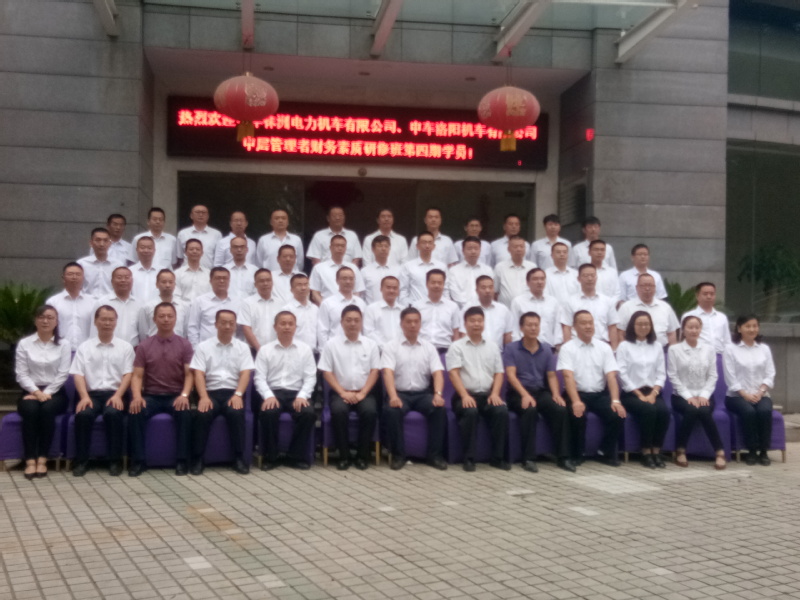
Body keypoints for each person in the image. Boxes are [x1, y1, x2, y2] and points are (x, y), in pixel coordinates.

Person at [127, 302, 193, 476]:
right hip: (151, 396)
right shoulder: (144, 346)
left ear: (175, 319)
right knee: (135, 411)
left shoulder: (185, 345)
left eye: (170, 316)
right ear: (154, 319)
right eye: (162, 316)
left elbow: (189, 375)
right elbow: (137, 376)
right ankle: (139, 461)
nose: (166, 320)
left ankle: (182, 461)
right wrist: (136, 396)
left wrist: (184, 395)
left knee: (185, 412)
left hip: (175, 395)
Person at [504, 312, 575, 473]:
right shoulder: (511, 348)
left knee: (560, 409)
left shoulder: (546, 349)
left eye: (536, 325)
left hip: (540, 391)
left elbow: (551, 376)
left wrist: (556, 394)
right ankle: (528, 458)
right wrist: (525, 395)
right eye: (529, 325)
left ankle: (563, 457)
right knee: (529, 410)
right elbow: (511, 376)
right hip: (518, 393)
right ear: (521, 328)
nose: (533, 328)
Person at [70, 305, 134, 477]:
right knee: (83, 415)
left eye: (111, 320)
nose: (107, 323)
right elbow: (78, 374)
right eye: (103, 319)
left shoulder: (125, 347)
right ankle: (81, 461)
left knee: (113, 414)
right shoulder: (85, 347)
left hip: (116, 393)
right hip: (91, 395)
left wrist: (118, 395)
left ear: (116, 322)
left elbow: (128, 374)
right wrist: (84, 397)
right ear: (95, 322)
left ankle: (114, 461)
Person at [381, 307, 448, 471]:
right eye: (408, 322)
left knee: (438, 409)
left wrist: (438, 394)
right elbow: (387, 373)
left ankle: (434, 456)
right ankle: (398, 456)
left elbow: (438, 373)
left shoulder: (429, 347)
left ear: (420, 324)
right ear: (401, 324)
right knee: (392, 411)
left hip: (422, 394)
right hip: (400, 393)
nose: (412, 325)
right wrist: (393, 396)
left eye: (416, 322)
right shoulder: (391, 346)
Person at [558, 311, 626, 466]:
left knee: (618, 414)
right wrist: (576, 401)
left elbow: (611, 376)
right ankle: (578, 453)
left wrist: (615, 401)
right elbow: (568, 376)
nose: (588, 326)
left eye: (590, 322)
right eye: (583, 323)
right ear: (574, 327)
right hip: (576, 393)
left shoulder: (604, 347)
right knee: (577, 414)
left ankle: (604, 452)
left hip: (599, 394)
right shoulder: (567, 348)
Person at [190, 309, 252, 475]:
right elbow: (198, 374)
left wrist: (238, 395)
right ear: (216, 324)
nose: (227, 326)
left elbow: (245, 374)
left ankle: (239, 458)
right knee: (202, 414)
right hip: (210, 392)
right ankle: (198, 458)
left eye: (231, 323)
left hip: (233, 392)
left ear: (235, 325)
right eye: (223, 323)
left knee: (236, 413)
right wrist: (203, 397)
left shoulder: (243, 347)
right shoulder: (203, 347)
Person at [447, 307, 508, 472]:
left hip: (487, 395)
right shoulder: (456, 347)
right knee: (470, 411)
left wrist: (495, 393)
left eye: (479, 321)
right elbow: (453, 374)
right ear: (465, 324)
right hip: (464, 395)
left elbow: (499, 373)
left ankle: (497, 458)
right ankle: (469, 458)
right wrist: (465, 396)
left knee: (501, 411)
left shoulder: (493, 347)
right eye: (472, 321)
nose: (476, 324)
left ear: (484, 323)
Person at [319, 306, 380, 470]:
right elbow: (327, 372)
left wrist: (363, 393)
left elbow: (375, 371)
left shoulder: (371, 345)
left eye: (356, 320)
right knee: (339, 412)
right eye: (348, 320)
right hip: (340, 392)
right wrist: (342, 392)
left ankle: (362, 456)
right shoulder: (331, 345)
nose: (352, 324)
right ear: (341, 322)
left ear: (361, 323)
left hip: (364, 392)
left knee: (370, 412)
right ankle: (343, 456)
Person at [254, 311, 317, 470]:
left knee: (308, 413)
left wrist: (302, 396)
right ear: (275, 327)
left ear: (295, 327)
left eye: (290, 324)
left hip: (297, 393)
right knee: (268, 413)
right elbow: (259, 378)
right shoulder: (265, 350)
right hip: (273, 392)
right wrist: (268, 396)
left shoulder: (305, 349)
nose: (287, 327)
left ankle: (294, 456)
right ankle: (271, 457)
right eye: (283, 323)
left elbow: (310, 377)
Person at [15, 305, 71, 479]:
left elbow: (63, 374)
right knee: (30, 410)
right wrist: (36, 392)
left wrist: (47, 392)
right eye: (41, 317)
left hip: (56, 392)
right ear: (35, 320)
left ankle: (43, 458)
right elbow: (21, 374)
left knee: (47, 410)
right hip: (30, 391)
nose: (45, 321)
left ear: (56, 322)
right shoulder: (25, 344)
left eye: (50, 317)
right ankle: (30, 460)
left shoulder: (64, 344)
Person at [668, 315, 726, 470]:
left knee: (704, 411)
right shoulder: (674, 350)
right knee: (692, 409)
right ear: (683, 330)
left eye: (697, 327)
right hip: (680, 396)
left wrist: (704, 395)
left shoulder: (709, 349)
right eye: (690, 327)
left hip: (704, 395)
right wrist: (688, 396)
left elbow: (713, 375)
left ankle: (719, 452)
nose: (694, 330)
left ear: (700, 330)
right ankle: (681, 450)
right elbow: (673, 376)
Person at [616, 311, 669, 468]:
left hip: (653, 392)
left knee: (664, 412)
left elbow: (661, 373)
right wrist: (639, 394)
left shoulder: (657, 346)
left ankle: (656, 451)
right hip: (631, 393)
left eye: (646, 324)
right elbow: (622, 374)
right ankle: (645, 452)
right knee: (649, 410)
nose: (643, 327)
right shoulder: (624, 346)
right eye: (639, 324)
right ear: (632, 326)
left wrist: (654, 393)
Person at [724, 314, 776, 466]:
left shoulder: (764, 349)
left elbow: (770, 373)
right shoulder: (730, 349)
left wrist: (760, 392)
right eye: (747, 326)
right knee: (749, 412)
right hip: (736, 396)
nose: (752, 329)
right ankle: (751, 451)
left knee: (764, 411)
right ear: (739, 328)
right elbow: (730, 377)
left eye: (755, 326)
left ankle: (764, 451)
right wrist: (745, 394)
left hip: (761, 394)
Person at [560, 264, 619, 349]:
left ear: (596, 277)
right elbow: (566, 327)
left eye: (592, 275)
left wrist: (614, 350)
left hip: (602, 346)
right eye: (586, 276)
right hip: (578, 346)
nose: (590, 278)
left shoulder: (607, 301)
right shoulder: (570, 302)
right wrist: (568, 349)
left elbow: (612, 327)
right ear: (578, 279)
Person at [616, 273, 679, 347]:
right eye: (644, 285)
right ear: (637, 288)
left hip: (662, 350)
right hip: (633, 351)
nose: (647, 288)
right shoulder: (626, 307)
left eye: (650, 285)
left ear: (655, 288)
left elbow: (671, 333)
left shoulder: (666, 307)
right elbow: (620, 333)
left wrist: (672, 351)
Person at [46, 262, 95, 352]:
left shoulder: (93, 302)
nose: (74, 277)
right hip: (59, 351)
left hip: (86, 352)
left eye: (78, 274)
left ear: (83, 278)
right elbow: (48, 328)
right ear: (63, 278)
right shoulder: (53, 302)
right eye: (70, 274)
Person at [187, 267, 240, 348]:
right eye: (218, 278)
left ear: (229, 281)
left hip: (231, 348)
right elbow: (193, 328)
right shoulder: (200, 301)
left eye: (225, 278)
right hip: (206, 349)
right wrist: (196, 349)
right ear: (210, 281)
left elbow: (240, 330)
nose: (221, 281)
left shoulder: (238, 302)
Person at [91, 266, 142, 347]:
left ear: (132, 281)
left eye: (127, 277)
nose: (123, 280)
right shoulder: (102, 303)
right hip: (108, 348)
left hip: (133, 350)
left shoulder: (139, 304)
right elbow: (94, 331)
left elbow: (142, 332)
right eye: (119, 277)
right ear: (112, 281)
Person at [318, 267, 367, 349]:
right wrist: (324, 351)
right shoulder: (327, 303)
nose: (348, 282)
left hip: (358, 348)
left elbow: (364, 329)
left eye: (351, 279)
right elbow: (322, 330)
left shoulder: (361, 303)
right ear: (337, 281)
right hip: (335, 349)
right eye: (344, 278)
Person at [510, 268, 561, 346]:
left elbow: (557, 326)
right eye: (535, 279)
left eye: (542, 279)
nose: (539, 282)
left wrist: (557, 345)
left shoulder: (553, 302)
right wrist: (517, 347)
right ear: (527, 282)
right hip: (524, 347)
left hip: (548, 347)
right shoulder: (518, 301)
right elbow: (514, 327)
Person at [459, 276, 513, 348]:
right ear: (477, 290)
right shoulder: (467, 309)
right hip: (474, 351)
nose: (487, 290)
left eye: (490, 287)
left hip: (498, 352)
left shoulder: (503, 310)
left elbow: (508, 335)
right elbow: (463, 334)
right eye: (483, 288)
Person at [309, 235, 365, 303]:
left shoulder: (353, 268)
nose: (340, 248)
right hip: (327, 306)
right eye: (337, 245)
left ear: (345, 248)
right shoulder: (319, 268)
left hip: (350, 307)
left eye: (342, 246)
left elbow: (357, 291)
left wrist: (351, 306)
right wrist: (325, 306)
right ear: (330, 247)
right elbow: (315, 293)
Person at [398, 231, 447, 306]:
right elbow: (402, 291)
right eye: (424, 242)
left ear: (434, 246)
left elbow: (445, 290)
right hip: (415, 309)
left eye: (430, 243)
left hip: (437, 307)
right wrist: (410, 307)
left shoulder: (441, 267)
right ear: (417, 246)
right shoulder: (408, 266)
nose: (427, 246)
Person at [138, 269, 189, 340]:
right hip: (154, 345)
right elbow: (143, 333)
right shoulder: (147, 307)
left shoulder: (184, 306)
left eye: (170, 282)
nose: (167, 285)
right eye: (164, 282)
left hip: (178, 345)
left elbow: (185, 331)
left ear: (175, 285)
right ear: (157, 284)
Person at [682, 282, 730, 355]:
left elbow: (727, 341)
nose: (709, 296)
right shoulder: (688, 316)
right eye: (705, 294)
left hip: (719, 355)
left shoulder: (722, 317)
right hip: (697, 355)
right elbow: (683, 339)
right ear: (697, 296)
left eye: (712, 294)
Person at [418, 269, 460, 352]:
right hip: (421, 350)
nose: (436, 285)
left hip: (445, 350)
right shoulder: (417, 306)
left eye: (440, 283)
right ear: (427, 284)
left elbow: (456, 333)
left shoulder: (453, 307)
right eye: (433, 282)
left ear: (444, 284)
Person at [240, 269, 282, 352]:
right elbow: (246, 328)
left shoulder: (280, 303)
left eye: (268, 280)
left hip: (276, 351)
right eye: (261, 281)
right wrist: (259, 349)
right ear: (255, 284)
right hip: (254, 350)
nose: (265, 283)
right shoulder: (247, 303)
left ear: (272, 283)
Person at [447, 236, 494, 308]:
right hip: (462, 309)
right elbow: (455, 293)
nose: (473, 251)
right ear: (463, 250)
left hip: (484, 309)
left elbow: (490, 291)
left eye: (476, 248)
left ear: (480, 250)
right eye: (469, 249)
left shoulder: (487, 270)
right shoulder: (453, 271)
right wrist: (468, 307)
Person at [79, 227, 123, 297]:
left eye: (105, 240)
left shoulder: (118, 265)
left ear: (110, 243)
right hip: (88, 301)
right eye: (98, 240)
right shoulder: (82, 264)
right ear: (91, 243)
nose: (102, 244)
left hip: (110, 302)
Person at [494, 235, 536, 307]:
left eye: (521, 246)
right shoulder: (500, 267)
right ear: (508, 249)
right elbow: (495, 292)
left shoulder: (532, 267)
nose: (519, 249)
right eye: (515, 247)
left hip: (527, 308)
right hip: (506, 308)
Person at [281, 274, 319, 351]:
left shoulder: (315, 309)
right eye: (299, 285)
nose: (303, 288)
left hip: (314, 352)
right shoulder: (287, 310)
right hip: (295, 351)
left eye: (306, 284)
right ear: (291, 289)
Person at [363, 276, 404, 347]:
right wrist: (385, 348)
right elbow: (368, 332)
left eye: (395, 288)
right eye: (388, 287)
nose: (391, 291)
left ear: (398, 291)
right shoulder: (371, 309)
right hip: (379, 350)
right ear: (381, 289)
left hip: (401, 350)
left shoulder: (403, 310)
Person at [176, 204, 221, 269]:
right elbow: (179, 257)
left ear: (208, 216)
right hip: (187, 271)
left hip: (209, 272)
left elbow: (218, 257)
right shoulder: (183, 233)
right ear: (191, 216)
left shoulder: (216, 234)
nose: (201, 215)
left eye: (203, 212)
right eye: (197, 212)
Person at [361, 235, 400, 305]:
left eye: (386, 246)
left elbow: (401, 293)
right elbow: (361, 295)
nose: (383, 249)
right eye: (380, 246)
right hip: (372, 310)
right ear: (373, 249)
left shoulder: (398, 270)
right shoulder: (365, 271)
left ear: (389, 249)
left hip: (393, 309)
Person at [130, 236, 159, 302]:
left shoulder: (162, 271)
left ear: (154, 250)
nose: (146, 251)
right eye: (142, 248)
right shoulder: (130, 271)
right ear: (136, 249)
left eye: (149, 248)